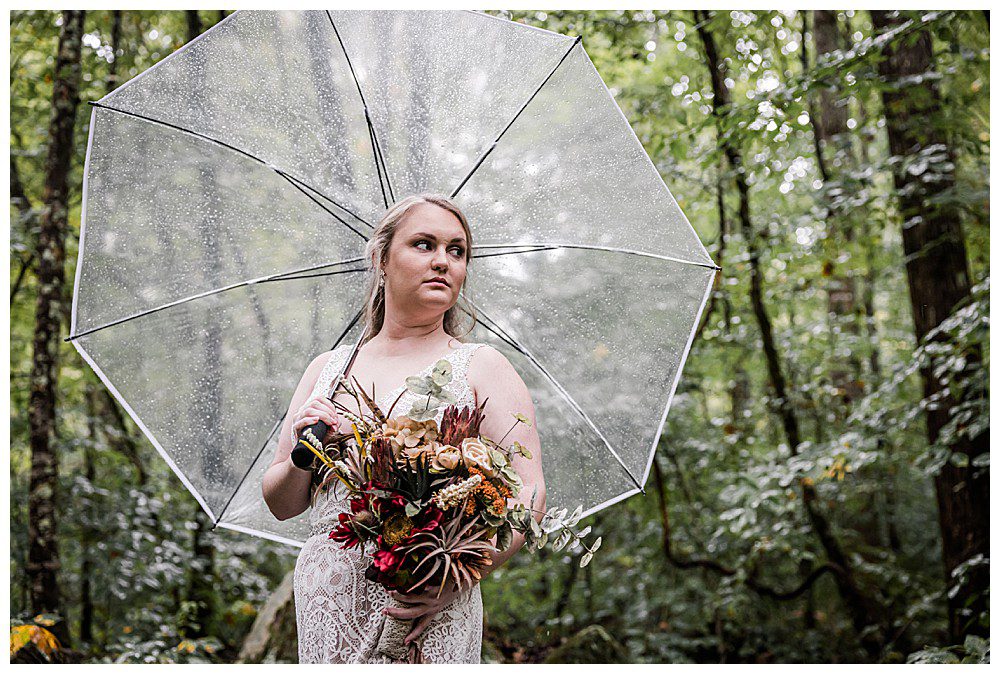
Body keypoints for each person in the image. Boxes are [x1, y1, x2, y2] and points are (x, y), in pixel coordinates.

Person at [261, 193, 545, 664]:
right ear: (381, 259)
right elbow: (280, 503)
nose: (443, 262)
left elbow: (529, 494)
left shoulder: (480, 367)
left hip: (427, 599)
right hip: (331, 593)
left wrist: (455, 578)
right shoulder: (328, 371)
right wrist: (303, 453)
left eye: (457, 251)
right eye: (424, 244)